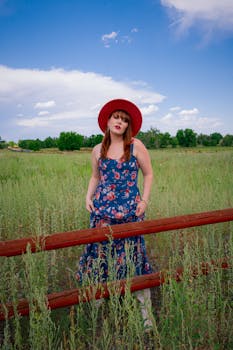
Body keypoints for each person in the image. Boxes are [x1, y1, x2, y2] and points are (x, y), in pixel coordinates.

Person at [76, 98, 154, 328]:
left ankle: (146, 317)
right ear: (108, 120)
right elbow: (95, 176)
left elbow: (149, 174)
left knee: (134, 260)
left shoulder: (136, 146)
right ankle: (93, 314)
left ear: (128, 125)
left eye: (124, 119)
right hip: (102, 214)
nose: (119, 122)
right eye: (116, 117)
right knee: (100, 260)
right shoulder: (97, 149)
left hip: (130, 212)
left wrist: (145, 201)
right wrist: (87, 197)